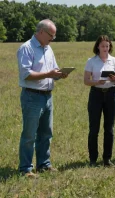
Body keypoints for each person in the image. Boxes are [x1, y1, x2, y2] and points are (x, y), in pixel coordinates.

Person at [17, 19, 69, 178]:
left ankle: (44, 164)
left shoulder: (48, 49)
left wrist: (59, 74)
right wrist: (49, 74)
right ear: (41, 32)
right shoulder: (26, 48)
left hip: (47, 96)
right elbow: (26, 74)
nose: (52, 39)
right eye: (51, 35)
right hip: (32, 96)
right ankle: (26, 168)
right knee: (29, 135)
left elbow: (53, 70)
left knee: (46, 132)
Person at [84, 35, 115, 167]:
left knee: (109, 128)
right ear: (98, 47)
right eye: (103, 46)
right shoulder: (91, 61)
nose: (105, 48)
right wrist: (96, 82)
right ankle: (93, 159)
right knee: (94, 128)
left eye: (107, 46)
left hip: (111, 94)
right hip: (96, 94)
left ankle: (107, 159)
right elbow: (86, 80)